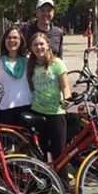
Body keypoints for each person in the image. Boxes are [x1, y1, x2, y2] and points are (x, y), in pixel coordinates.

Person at [27, 32, 70, 172]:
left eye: (41, 44)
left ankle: (62, 186)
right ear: (31, 48)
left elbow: (65, 86)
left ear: (48, 45)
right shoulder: (31, 64)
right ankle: (44, 183)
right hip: (37, 112)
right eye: (35, 45)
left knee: (59, 152)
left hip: (56, 113)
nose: (39, 47)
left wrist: (66, 98)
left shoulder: (57, 63)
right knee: (41, 153)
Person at [0, 26, 31, 126]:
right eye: (8, 37)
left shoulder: (28, 62)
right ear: (4, 41)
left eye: (15, 37)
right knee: (5, 141)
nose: (12, 40)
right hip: (3, 109)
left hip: (25, 108)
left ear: (21, 41)